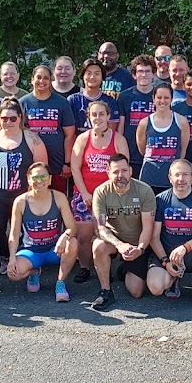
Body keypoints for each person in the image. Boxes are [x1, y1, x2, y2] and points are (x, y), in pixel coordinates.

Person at [0, 97, 49, 260]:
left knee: (25, 229)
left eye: (12, 118)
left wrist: (35, 196)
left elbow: (42, 170)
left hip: (24, 195)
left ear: (20, 118)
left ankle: (25, 260)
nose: (8, 122)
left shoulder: (32, 139)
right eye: (4, 118)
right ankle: (3, 257)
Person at [70, 100, 130, 282]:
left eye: (101, 114)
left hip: (110, 196)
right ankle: (84, 267)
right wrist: (85, 193)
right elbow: (75, 168)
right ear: (88, 117)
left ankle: (107, 268)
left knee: (108, 234)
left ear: (108, 116)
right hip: (85, 194)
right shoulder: (82, 139)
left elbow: (123, 170)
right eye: (94, 114)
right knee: (84, 235)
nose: (98, 118)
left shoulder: (118, 139)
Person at [89, 153, 157, 311]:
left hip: (137, 243)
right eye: (115, 172)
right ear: (108, 173)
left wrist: (140, 249)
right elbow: (100, 228)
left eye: (124, 171)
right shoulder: (101, 192)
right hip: (115, 240)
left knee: (136, 292)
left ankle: (126, 266)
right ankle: (105, 291)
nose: (120, 175)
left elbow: (148, 227)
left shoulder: (144, 191)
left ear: (131, 171)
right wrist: (119, 245)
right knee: (98, 246)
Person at [6, 162, 79, 302]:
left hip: (54, 249)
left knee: (73, 243)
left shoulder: (59, 197)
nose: (39, 181)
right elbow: (14, 234)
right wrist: (12, 258)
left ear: (50, 179)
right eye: (35, 178)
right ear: (28, 179)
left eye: (43, 177)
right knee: (13, 274)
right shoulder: (20, 201)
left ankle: (60, 283)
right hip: (31, 250)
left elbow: (72, 228)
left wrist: (65, 236)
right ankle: (34, 271)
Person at [148, 160, 192, 309]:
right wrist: (165, 262)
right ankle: (173, 279)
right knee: (156, 287)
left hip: (191, 253)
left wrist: (186, 247)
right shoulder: (160, 199)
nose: (181, 179)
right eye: (177, 175)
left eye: (185, 174)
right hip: (167, 254)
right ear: (170, 178)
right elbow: (154, 237)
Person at [20, 65, 77, 193]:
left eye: (46, 78)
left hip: (57, 164)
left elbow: (70, 135)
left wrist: (67, 163)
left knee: (58, 200)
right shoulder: (23, 103)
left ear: (51, 80)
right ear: (31, 79)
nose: (42, 81)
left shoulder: (61, 102)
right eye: (38, 77)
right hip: (30, 164)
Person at [136, 84, 191, 193]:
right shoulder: (144, 123)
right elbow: (142, 150)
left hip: (171, 180)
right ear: (153, 99)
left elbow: (182, 151)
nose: (162, 101)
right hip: (149, 178)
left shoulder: (181, 122)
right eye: (159, 97)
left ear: (171, 99)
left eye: (166, 98)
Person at [117, 54, 157, 178]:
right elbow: (121, 126)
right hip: (131, 153)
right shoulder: (125, 96)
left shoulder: (160, 95)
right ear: (134, 75)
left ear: (153, 74)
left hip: (154, 154)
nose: (144, 75)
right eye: (140, 71)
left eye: (147, 71)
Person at [69, 58, 120, 133]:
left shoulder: (110, 102)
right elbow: (69, 132)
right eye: (88, 73)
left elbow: (110, 133)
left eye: (97, 73)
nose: (92, 77)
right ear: (82, 76)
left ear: (102, 77)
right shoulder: (73, 100)